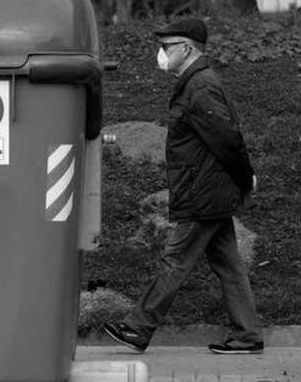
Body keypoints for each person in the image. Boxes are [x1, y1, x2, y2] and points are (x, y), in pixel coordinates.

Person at [103, 18, 264, 355]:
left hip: (203, 191)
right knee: (228, 265)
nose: (161, 54)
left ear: (187, 48)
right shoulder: (193, 83)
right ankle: (248, 335)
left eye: (166, 47)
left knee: (175, 259)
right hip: (209, 189)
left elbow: (226, 138)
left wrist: (245, 175)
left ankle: (138, 327)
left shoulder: (200, 87)